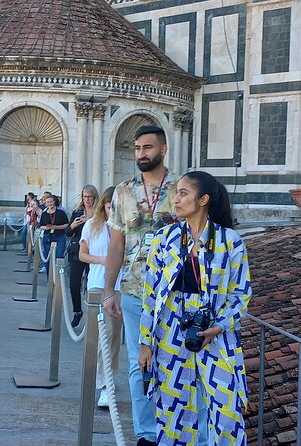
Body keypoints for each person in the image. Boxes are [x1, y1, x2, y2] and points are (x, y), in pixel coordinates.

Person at [139, 171, 250, 445]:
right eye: (176, 192)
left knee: (227, 415)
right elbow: (150, 295)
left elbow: (241, 295)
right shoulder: (164, 239)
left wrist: (220, 326)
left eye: (183, 193)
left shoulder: (230, 242)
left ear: (204, 200)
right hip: (169, 331)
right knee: (173, 415)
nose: (175, 199)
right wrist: (145, 343)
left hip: (216, 333)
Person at [104, 125, 177, 446]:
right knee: (139, 363)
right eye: (136, 148)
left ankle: (174, 427)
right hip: (134, 291)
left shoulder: (180, 189)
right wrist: (109, 290)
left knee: (174, 360)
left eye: (147, 147)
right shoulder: (122, 191)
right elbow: (116, 244)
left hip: (175, 293)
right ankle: (147, 433)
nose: (141, 154)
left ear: (163, 149)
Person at [78, 186, 122, 409]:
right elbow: (82, 255)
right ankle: (102, 381)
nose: (113, 210)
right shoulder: (91, 226)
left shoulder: (126, 230)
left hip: (121, 285)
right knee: (100, 336)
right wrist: (104, 260)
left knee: (114, 337)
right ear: (103, 205)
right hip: (97, 285)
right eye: (109, 205)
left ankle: (107, 380)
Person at [65, 185, 99, 328]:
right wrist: (73, 225)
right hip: (77, 251)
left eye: (89, 197)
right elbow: (68, 233)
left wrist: (92, 221)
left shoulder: (100, 213)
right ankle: (77, 311)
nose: (87, 200)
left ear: (94, 198)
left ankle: (95, 313)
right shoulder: (77, 212)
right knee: (74, 284)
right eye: (84, 197)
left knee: (93, 285)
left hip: (94, 252)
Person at [37, 194, 69, 274]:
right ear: (45, 203)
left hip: (59, 236)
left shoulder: (61, 213)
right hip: (48, 237)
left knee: (59, 257)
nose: (49, 204)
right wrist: (46, 228)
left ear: (54, 202)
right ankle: (49, 278)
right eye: (47, 202)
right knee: (48, 258)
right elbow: (41, 226)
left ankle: (58, 278)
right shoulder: (44, 214)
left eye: (51, 202)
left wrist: (55, 227)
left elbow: (66, 225)